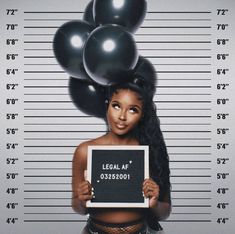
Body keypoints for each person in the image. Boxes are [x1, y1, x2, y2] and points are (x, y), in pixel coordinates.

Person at [72, 79, 171, 234]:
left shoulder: (150, 151)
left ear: (142, 115)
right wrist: (82, 200)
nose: (122, 116)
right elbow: (78, 207)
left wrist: (154, 203)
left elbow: (165, 212)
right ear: (107, 105)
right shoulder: (85, 151)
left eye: (133, 110)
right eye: (116, 106)